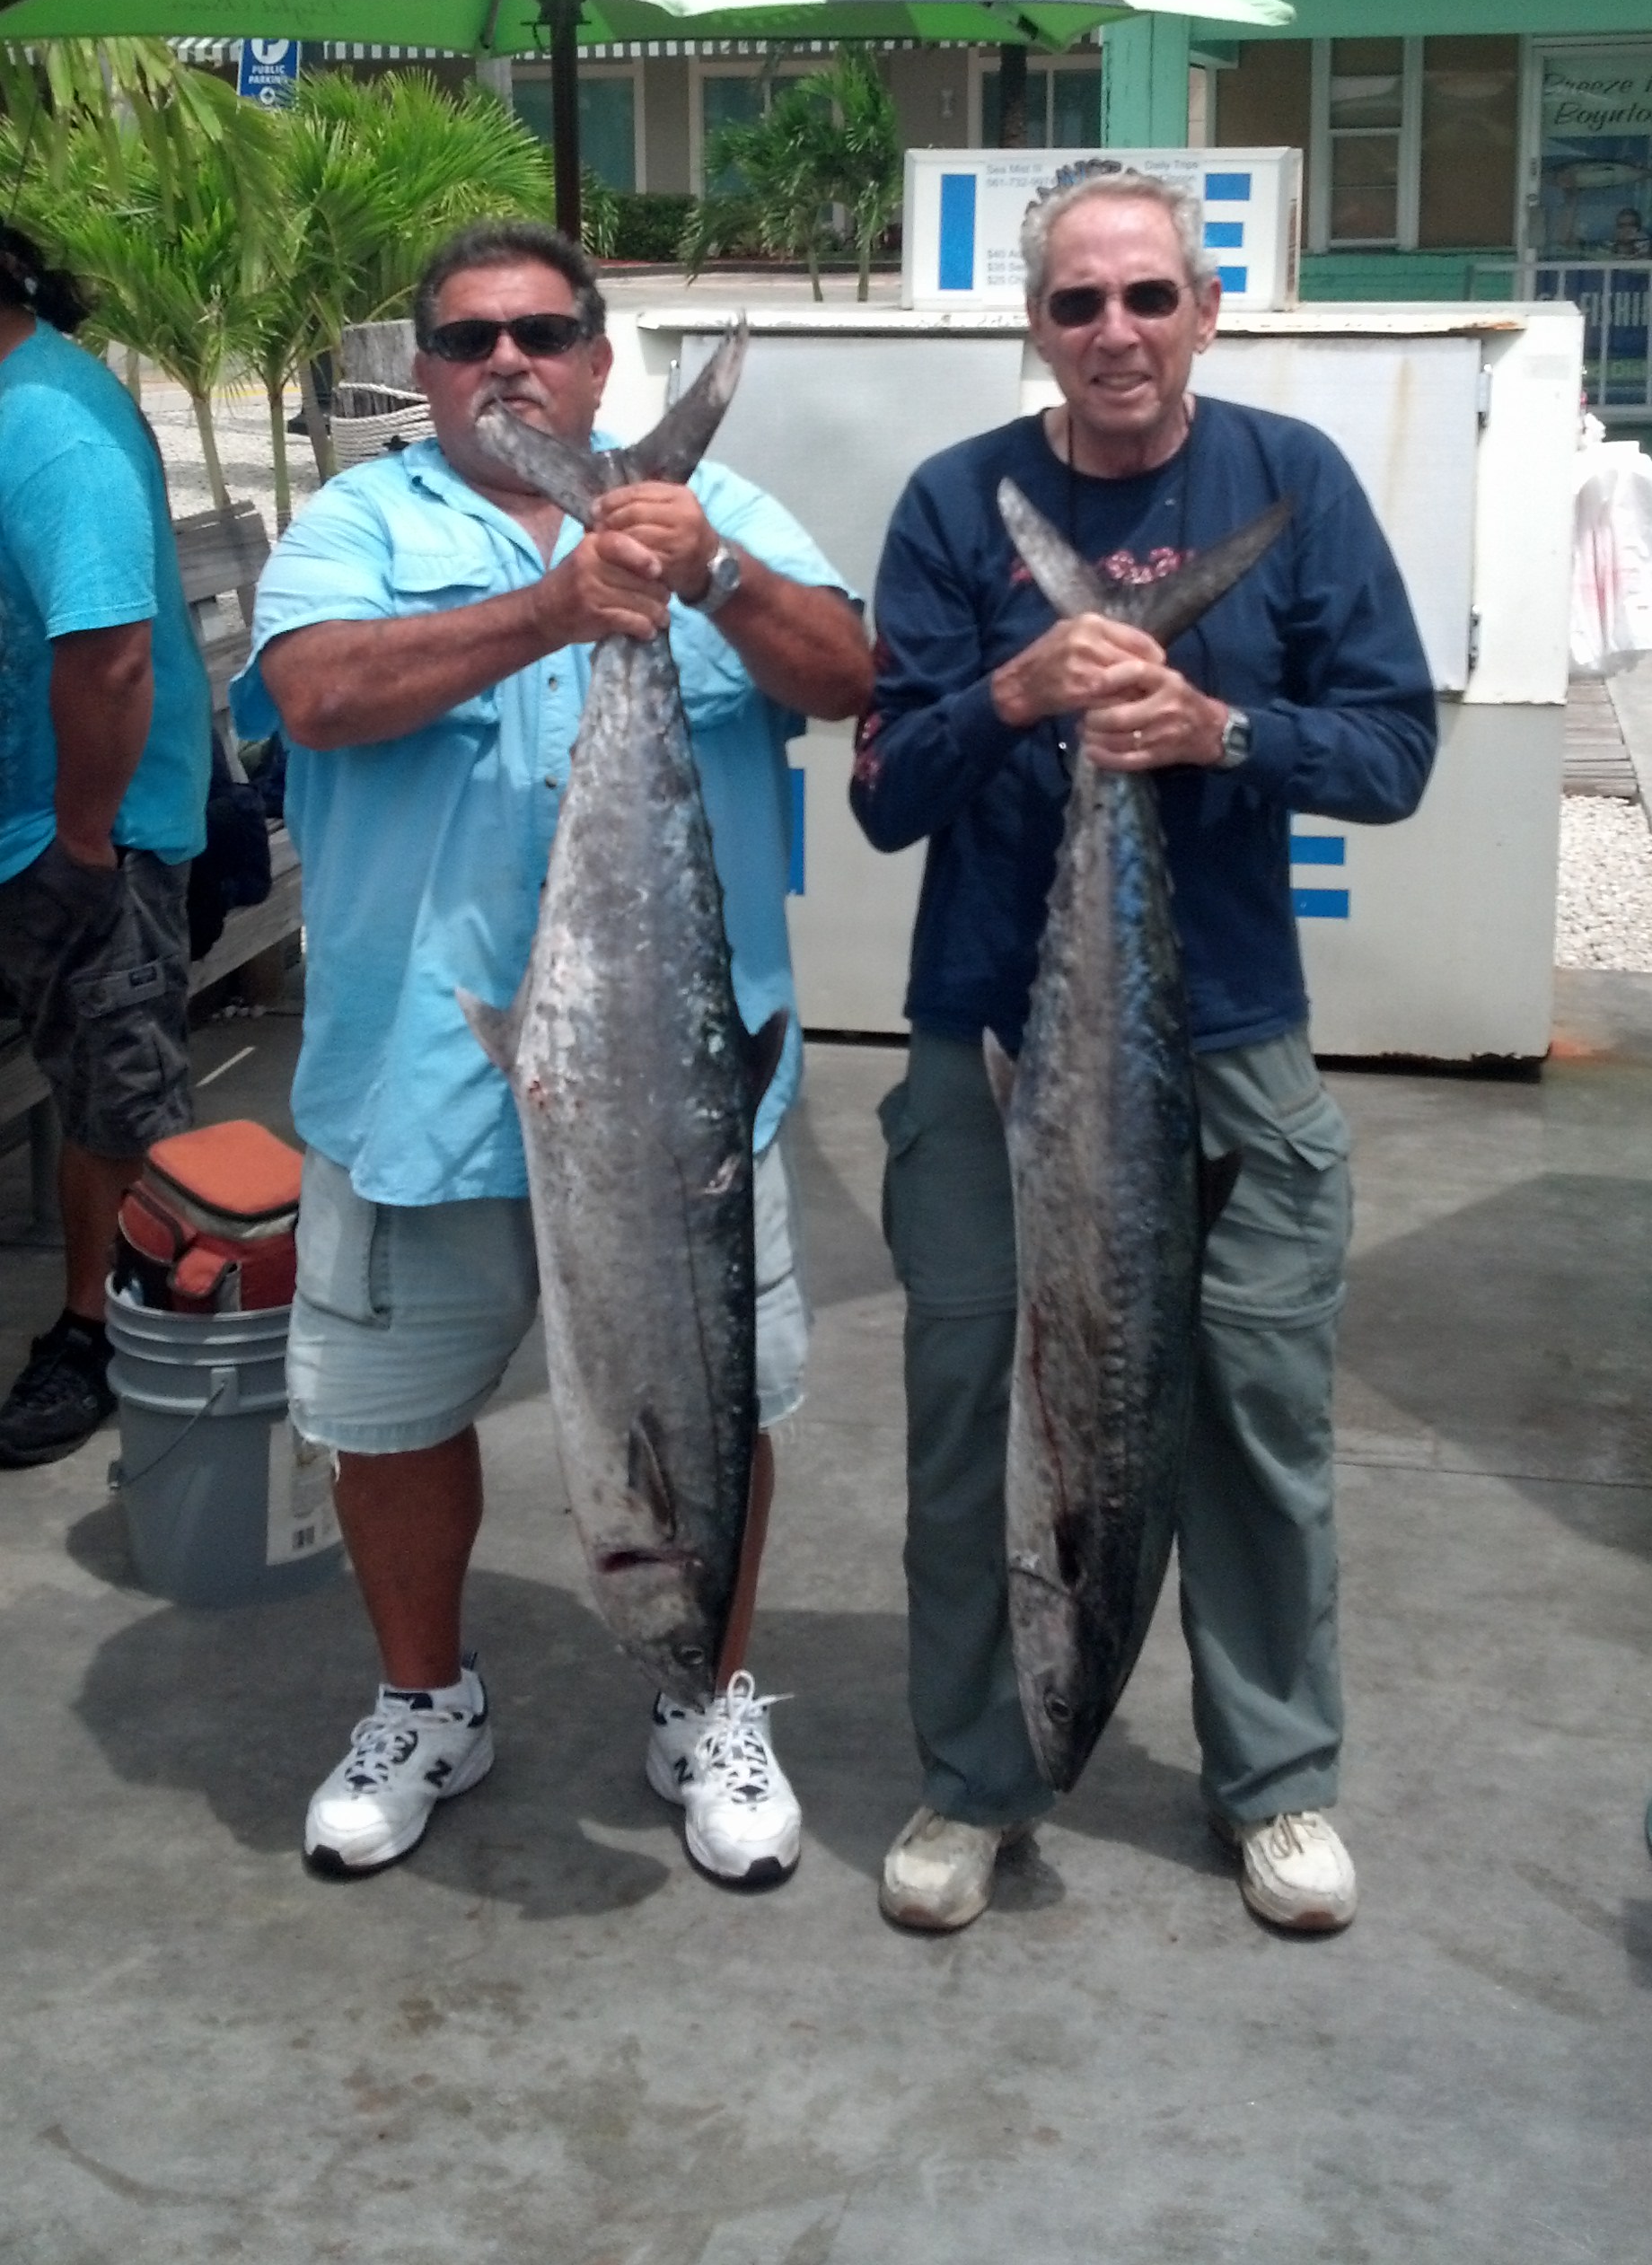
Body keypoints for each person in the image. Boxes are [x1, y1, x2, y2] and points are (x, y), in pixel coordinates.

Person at [229, 221, 871, 1886]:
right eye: (465, 340)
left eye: (540, 330)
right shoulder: (360, 522)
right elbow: (308, 694)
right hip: (418, 1085)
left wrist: (709, 570)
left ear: (599, 358)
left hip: (679, 1107)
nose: (505, 359)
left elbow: (856, 673)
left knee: (715, 1396)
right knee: (386, 1418)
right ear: (424, 372)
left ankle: (707, 1703)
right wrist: (552, 608)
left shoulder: (711, 518)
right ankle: (426, 1700)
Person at [851, 170, 1437, 1937]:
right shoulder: (957, 505)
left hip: (1229, 1038)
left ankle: (1272, 1784)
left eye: (1146, 299)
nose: (1113, 331)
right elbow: (884, 791)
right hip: (981, 1038)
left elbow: (1389, 748)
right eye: (1075, 304)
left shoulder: (1291, 485)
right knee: (975, 1413)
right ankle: (977, 1779)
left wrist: (1218, 727)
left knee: (1254, 1414)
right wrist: (1013, 695)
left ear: (1204, 308)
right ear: (1030, 323)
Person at [0, 225, 209, 1466]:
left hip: (90, 824)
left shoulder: (47, 431)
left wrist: (80, 844)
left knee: (114, 1098)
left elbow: (112, 654)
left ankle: (106, 1330)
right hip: (38, 814)